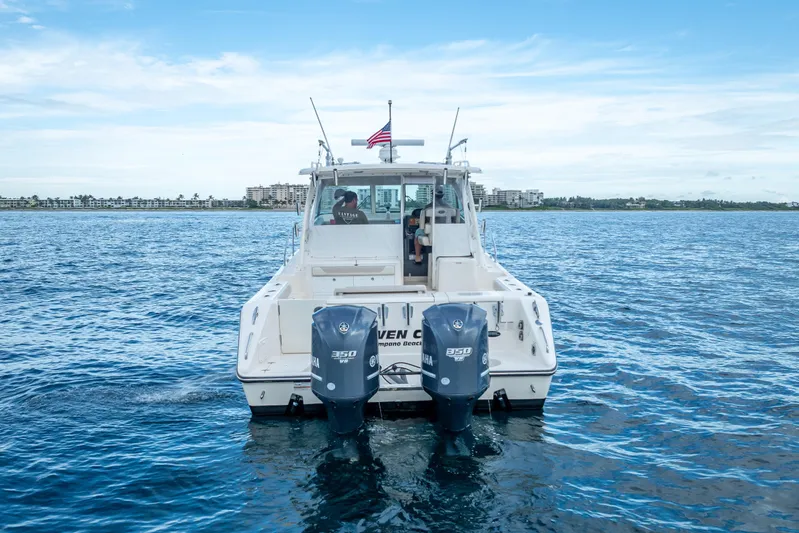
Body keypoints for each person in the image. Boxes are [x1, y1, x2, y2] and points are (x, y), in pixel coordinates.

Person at [413, 186, 453, 263]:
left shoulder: (428, 208)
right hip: (446, 233)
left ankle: (417, 257)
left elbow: (422, 224)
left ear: (432, 194)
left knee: (418, 232)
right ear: (443, 195)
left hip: (432, 233)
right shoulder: (450, 208)